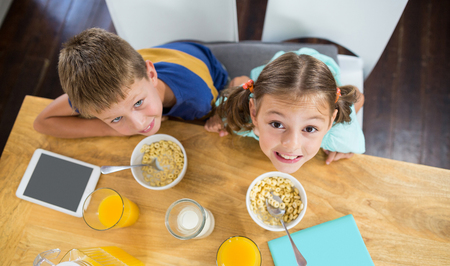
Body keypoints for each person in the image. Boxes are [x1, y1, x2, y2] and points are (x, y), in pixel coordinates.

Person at [34, 28, 228, 138]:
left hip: (205, 66)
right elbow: (42, 123)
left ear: (151, 73)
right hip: (156, 57)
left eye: (138, 103)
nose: (139, 124)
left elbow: (215, 114)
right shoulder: (94, 95)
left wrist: (116, 126)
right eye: (116, 118)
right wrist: (109, 130)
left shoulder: (198, 100)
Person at [205, 49, 365, 174]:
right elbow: (238, 82)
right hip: (278, 76)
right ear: (254, 113)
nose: (292, 144)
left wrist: (346, 148)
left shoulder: (341, 137)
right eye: (277, 124)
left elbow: (358, 96)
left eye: (310, 128)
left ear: (330, 122)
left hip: (324, 78)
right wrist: (220, 115)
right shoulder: (241, 113)